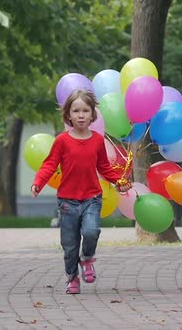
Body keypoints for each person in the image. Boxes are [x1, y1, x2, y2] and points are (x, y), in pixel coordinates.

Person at [31, 89, 132, 294]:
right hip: (68, 202)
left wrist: (119, 181)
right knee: (69, 246)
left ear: (92, 115)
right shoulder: (62, 141)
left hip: (92, 199)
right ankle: (72, 278)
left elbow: (104, 167)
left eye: (85, 110)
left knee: (91, 231)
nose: (81, 115)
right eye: (76, 111)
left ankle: (87, 259)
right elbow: (49, 165)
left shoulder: (96, 140)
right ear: (68, 115)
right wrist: (38, 183)